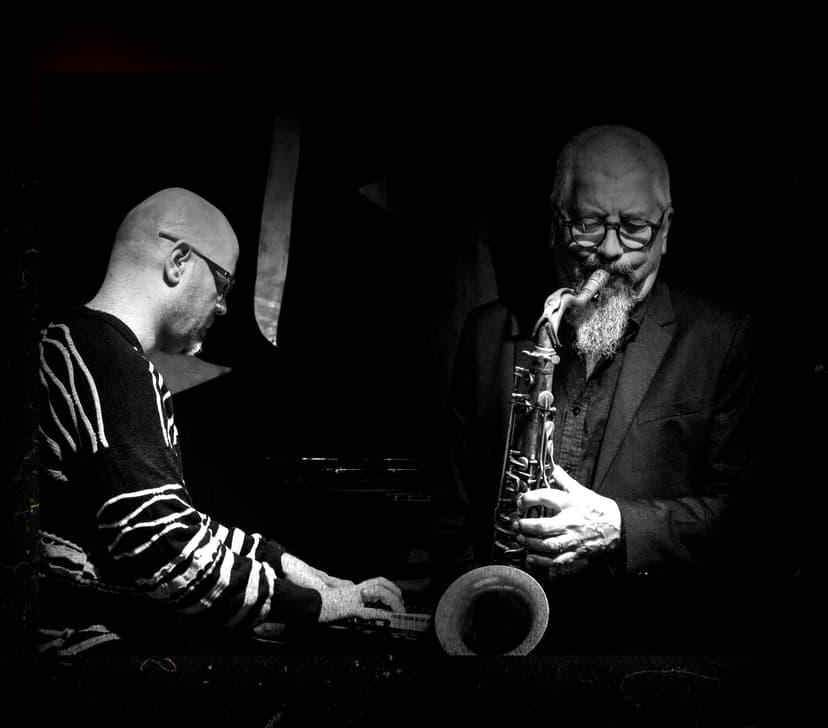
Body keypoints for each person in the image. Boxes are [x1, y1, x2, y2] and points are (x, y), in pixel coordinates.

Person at [432, 125, 764, 650]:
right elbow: (453, 509)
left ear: (666, 229)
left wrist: (619, 526)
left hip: (646, 650)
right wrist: (475, 625)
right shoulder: (487, 333)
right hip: (502, 647)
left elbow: (749, 519)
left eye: (634, 227)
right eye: (588, 223)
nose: (609, 250)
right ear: (554, 222)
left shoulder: (722, 340)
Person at [37, 188, 404, 657]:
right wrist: (316, 604)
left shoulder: (69, 343)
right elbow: (166, 547)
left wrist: (283, 564)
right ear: (179, 261)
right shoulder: (109, 364)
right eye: (224, 283)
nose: (223, 306)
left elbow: (165, 519)